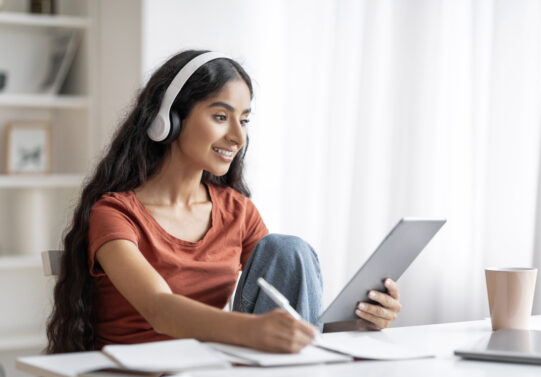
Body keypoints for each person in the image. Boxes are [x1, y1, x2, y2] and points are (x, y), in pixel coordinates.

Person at [46, 50, 402, 355]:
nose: (237, 136)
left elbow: (293, 309)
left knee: (287, 250)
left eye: (244, 120)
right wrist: (251, 329)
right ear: (168, 121)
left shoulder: (237, 211)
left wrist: (357, 322)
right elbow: (159, 309)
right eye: (221, 117)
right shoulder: (115, 213)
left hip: (215, 372)